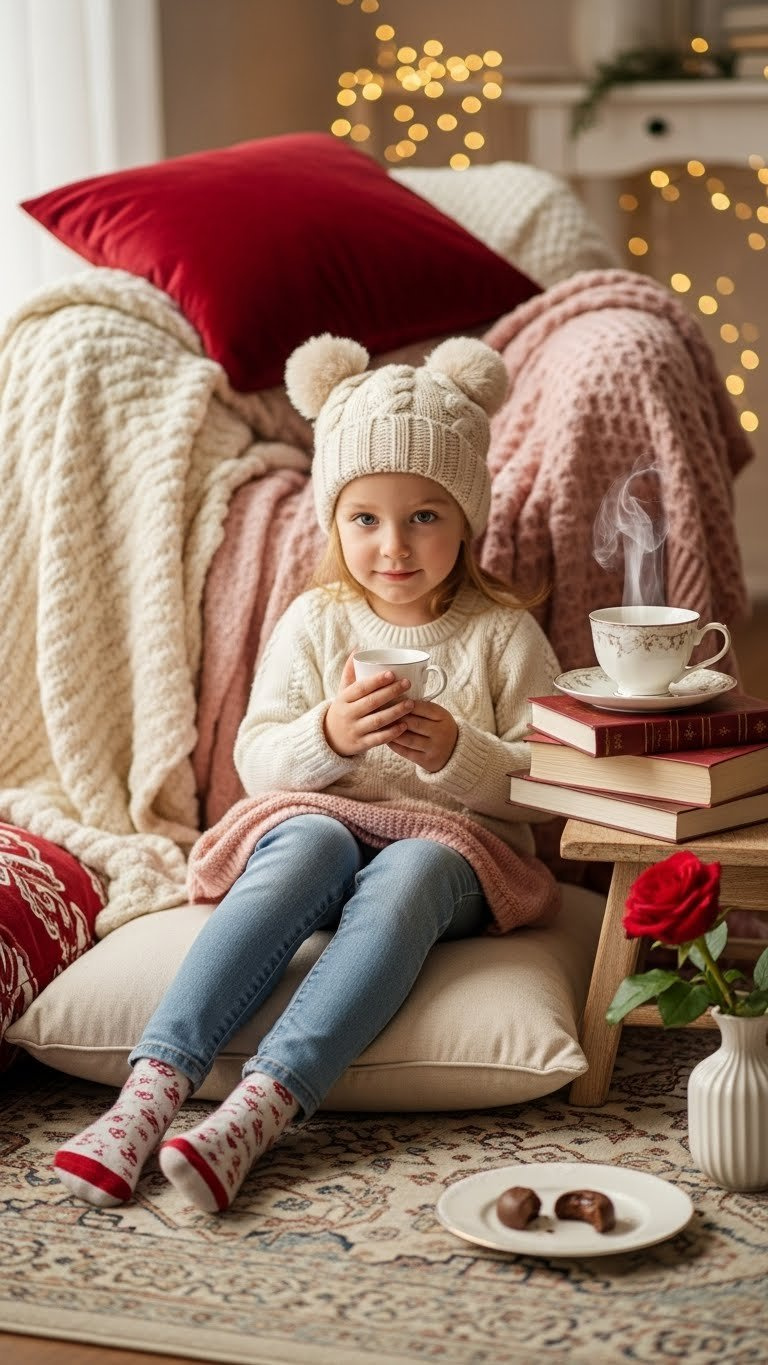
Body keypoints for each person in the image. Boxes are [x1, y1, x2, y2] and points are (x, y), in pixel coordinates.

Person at [53, 333, 562, 1214]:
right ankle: (148, 1094)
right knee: (306, 842)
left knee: (415, 864)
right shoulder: (316, 620)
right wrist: (327, 733)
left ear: (466, 516)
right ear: (334, 520)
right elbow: (257, 757)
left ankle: (260, 1107)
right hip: (319, 823)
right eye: (365, 518)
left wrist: (457, 752)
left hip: (456, 851)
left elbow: (552, 782)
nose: (393, 546)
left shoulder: (502, 633)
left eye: (424, 516)